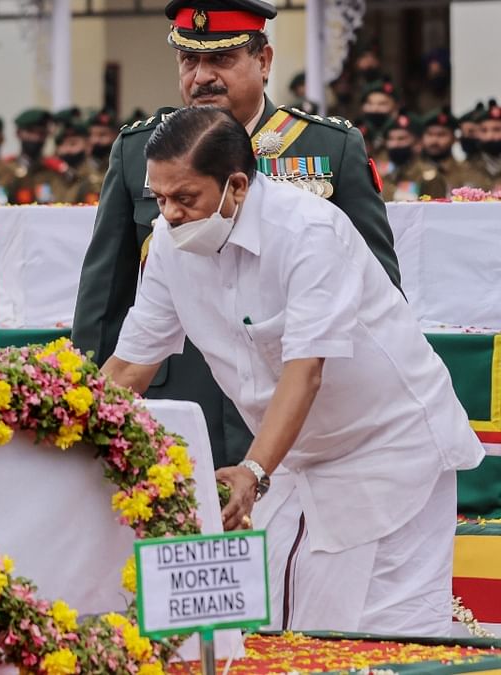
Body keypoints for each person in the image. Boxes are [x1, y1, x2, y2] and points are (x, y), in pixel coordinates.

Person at [102, 105, 483, 635]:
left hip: (389, 449)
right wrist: (68, 423)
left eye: (185, 198)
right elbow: (129, 367)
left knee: (380, 636)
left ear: (236, 185)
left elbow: (304, 371)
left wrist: (253, 473)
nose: (168, 214)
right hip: (290, 460)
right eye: (159, 198)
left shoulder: (309, 231)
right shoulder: (170, 245)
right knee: (278, 625)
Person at [72, 0, 401, 469]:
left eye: (221, 59)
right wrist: (83, 404)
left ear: (263, 62)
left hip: (306, 391)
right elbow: (105, 296)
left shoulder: (328, 147)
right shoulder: (139, 151)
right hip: (184, 387)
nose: (202, 76)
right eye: (189, 60)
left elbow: (378, 286)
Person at [380, 113, 447, 201]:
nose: (394, 144)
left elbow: (435, 210)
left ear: (418, 144)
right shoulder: (381, 173)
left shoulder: (429, 176)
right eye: (391, 139)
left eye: (401, 139)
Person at [421, 107, 490, 191]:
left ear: (454, 139)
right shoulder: (412, 172)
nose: (434, 140)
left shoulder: (469, 171)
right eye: (430, 134)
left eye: (441, 135)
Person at [9, 108, 60, 204]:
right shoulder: (7, 170)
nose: (36, 138)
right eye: (30, 132)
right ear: (18, 133)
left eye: (41, 133)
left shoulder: (53, 172)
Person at [51, 122, 99, 204]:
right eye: (62, 144)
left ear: (88, 146)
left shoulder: (95, 179)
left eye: (73, 144)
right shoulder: (50, 175)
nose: (67, 149)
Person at [358, 79, 397, 166]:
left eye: (382, 104)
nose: (375, 109)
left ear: (395, 107)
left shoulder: (399, 136)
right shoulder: (355, 133)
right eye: (370, 104)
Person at [465, 99, 501, 190]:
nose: (490, 136)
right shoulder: (464, 167)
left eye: (497, 129)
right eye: (483, 130)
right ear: (476, 133)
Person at [84, 108, 119, 195]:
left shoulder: (122, 165)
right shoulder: (82, 166)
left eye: (102, 135)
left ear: (116, 136)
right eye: (92, 135)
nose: (96, 140)